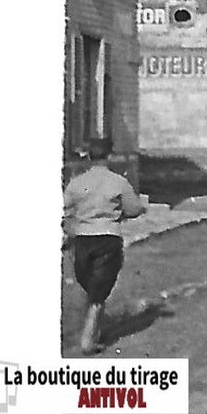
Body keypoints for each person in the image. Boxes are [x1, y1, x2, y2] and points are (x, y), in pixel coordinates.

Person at [63, 137, 148, 355]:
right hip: (108, 239)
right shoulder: (118, 182)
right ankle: (88, 342)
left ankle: (94, 330)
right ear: (108, 157)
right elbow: (134, 209)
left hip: (82, 240)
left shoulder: (76, 183)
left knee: (91, 288)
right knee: (98, 294)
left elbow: (65, 208)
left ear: (89, 157)